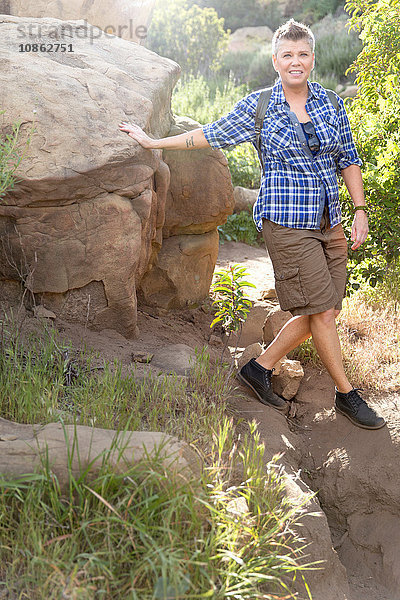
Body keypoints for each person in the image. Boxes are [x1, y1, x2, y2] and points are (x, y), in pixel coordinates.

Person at [119, 19, 385, 430]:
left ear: (312, 58)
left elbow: (348, 157)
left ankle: (258, 369)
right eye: (287, 55)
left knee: (326, 309)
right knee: (324, 314)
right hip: (288, 221)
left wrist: (361, 209)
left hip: (331, 220)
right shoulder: (258, 105)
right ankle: (347, 395)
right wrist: (154, 142)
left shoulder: (331, 103)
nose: (295, 62)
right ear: (275, 60)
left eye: (303, 54)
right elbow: (210, 134)